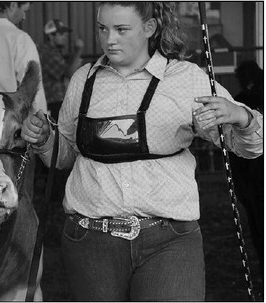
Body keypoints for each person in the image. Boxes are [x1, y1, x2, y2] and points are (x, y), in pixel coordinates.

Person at [21, 2, 263, 301]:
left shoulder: (186, 79)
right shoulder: (84, 80)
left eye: (122, 30)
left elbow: (248, 148)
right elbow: (65, 156)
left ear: (149, 28)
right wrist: (45, 139)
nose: (109, 39)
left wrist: (241, 117)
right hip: (91, 241)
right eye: (103, 29)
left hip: (169, 240)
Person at [229, 60, 264, 272]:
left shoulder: (240, 103)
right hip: (253, 178)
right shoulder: (240, 104)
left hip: (253, 179)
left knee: (258, 224)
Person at [38, 19, 84, 121]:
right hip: (52, 102)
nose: (65, 36)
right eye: (61, 33)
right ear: (51, 36)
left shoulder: (54, 51)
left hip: (56, 102)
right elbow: (69, 72)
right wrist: (78, 49)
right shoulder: (47, 53)